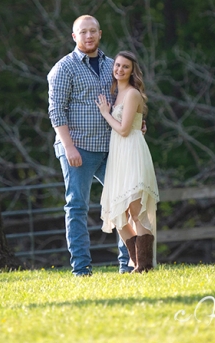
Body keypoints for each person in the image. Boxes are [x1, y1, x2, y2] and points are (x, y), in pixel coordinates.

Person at [47, 15, 132, 276]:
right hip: (78, 148)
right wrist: (68, 147)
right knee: (77, 206)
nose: (88, 36)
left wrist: (136, 122)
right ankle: (81, 269)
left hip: (111, 147)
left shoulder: (112, 66)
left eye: (93, 31)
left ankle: (128, 265)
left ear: (100, 33)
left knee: (125, 202)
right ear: (75, 37)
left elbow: (125, 99)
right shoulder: (64, 68)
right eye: (83, 32)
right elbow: (56, 111)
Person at [95, 51, 159, 273]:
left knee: (136, 211)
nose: (119, 70)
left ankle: (145, 267)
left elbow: (123, 129)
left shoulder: (132, 94)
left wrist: (105, 113)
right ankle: (139, 264)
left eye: (125, 67)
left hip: (132, 153)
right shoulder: (117, 94)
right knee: (117, 214)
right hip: (118, 156)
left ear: (133, 72)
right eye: (118, 65)